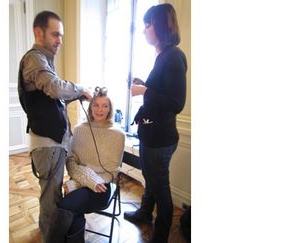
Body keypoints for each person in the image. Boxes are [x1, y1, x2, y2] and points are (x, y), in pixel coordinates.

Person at [17, 10, 92, 241]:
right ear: (38, 32)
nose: (60, 40)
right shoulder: (35, 59)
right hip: (48, 145)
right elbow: (57, 88)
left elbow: (54, 97)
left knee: (49, 194)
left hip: (51, 144)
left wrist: (78, 95)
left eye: (61, 35)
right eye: (55, 34)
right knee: (52, 198)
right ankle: (52, 237)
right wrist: (80, 88)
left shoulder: (44, 62)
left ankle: (46, 230)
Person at [124, 3, 187, 243]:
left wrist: (144, 90)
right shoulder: (164, 55)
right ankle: (143, 213)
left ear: (160, 25)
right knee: (151, 179)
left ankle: (160, 235)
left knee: (161, 187)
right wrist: (146, 85)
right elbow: (163, 91)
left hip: (161, 138)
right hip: (153, 134)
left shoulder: (174, 56)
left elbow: (176, 102)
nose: (144, 30)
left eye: (147, 25)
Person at [45, 87, 125, 243]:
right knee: (73, 211)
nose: (100, 109)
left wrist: (79, 183)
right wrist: (82, 181)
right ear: (90, 107)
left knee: (65, 206)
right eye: (95, 105)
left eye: (104, 105)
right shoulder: (80, 129)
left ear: (110, 109)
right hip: (82, 182)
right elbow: (71, 161)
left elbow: (111, 172)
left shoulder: (118, 134)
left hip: (102, 187)